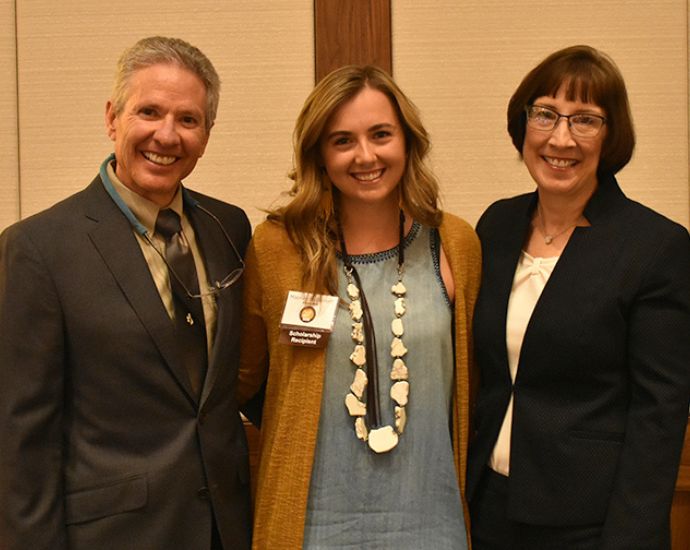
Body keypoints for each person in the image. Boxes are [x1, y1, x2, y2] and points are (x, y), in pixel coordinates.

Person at [0, 36, 253, 550]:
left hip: (225, 530)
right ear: (113, 118)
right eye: (150, 111)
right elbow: (21, 439)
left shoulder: (230, 228)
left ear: (207, 135)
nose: (167, 135)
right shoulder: (37, 249)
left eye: (188, 119)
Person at [236, 64, 481, 549]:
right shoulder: (277, 247)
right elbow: (247, 380)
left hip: (431, 521)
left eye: (381, 134)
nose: (365, 155)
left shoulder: (455, 243)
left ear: (407, 142)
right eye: (342, 140)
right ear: (319, 155)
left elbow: (475, 382)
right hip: (310, 525)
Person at [467, 45, 690, 549]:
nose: (560, 138)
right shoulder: (498, 225)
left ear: (611, 136)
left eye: (585, 119)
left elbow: (660, 412)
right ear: (522, 124)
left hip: (589, 524)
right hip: (489, 507)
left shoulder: (654, 247)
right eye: (545, 114)